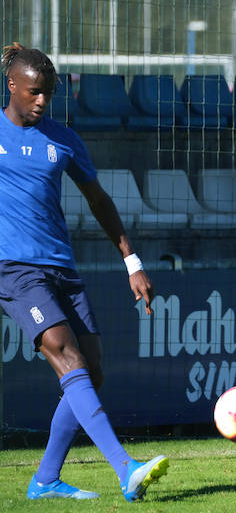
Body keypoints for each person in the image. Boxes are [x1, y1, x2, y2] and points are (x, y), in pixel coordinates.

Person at [0, 44, 168, 501]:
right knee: (66, 357)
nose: (41, 102)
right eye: (34, 92)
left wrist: (131, 260)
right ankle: (125, 467)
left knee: (91, 371)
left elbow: (99, 201)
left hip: (62, 267)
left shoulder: (64, 139)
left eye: (48, 94)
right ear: (11, 85)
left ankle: (45, 480)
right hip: (13, 269)